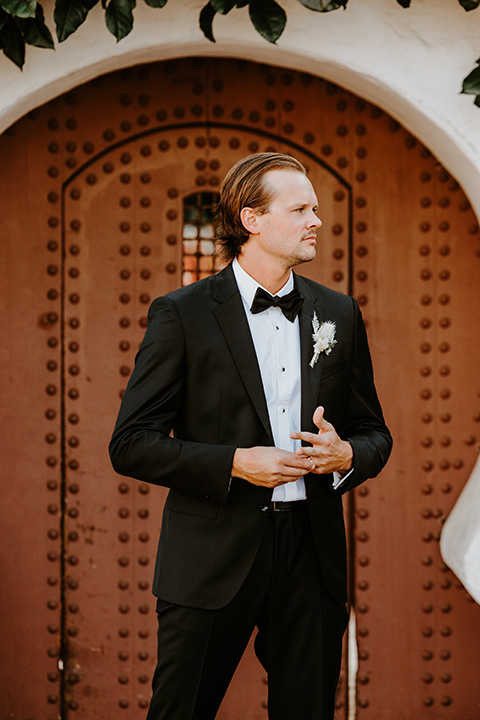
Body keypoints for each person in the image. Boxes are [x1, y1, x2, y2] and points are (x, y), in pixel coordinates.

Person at [109, 152, 392, 720]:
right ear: (251, 219)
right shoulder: (182, 314)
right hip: (212, 557)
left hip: (310, 558)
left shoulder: (338, 313)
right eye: (301, 208)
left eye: (315, 208)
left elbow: (374, 433)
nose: (317, 220)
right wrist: (236, 463)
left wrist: (346, 455)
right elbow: (131, 443)